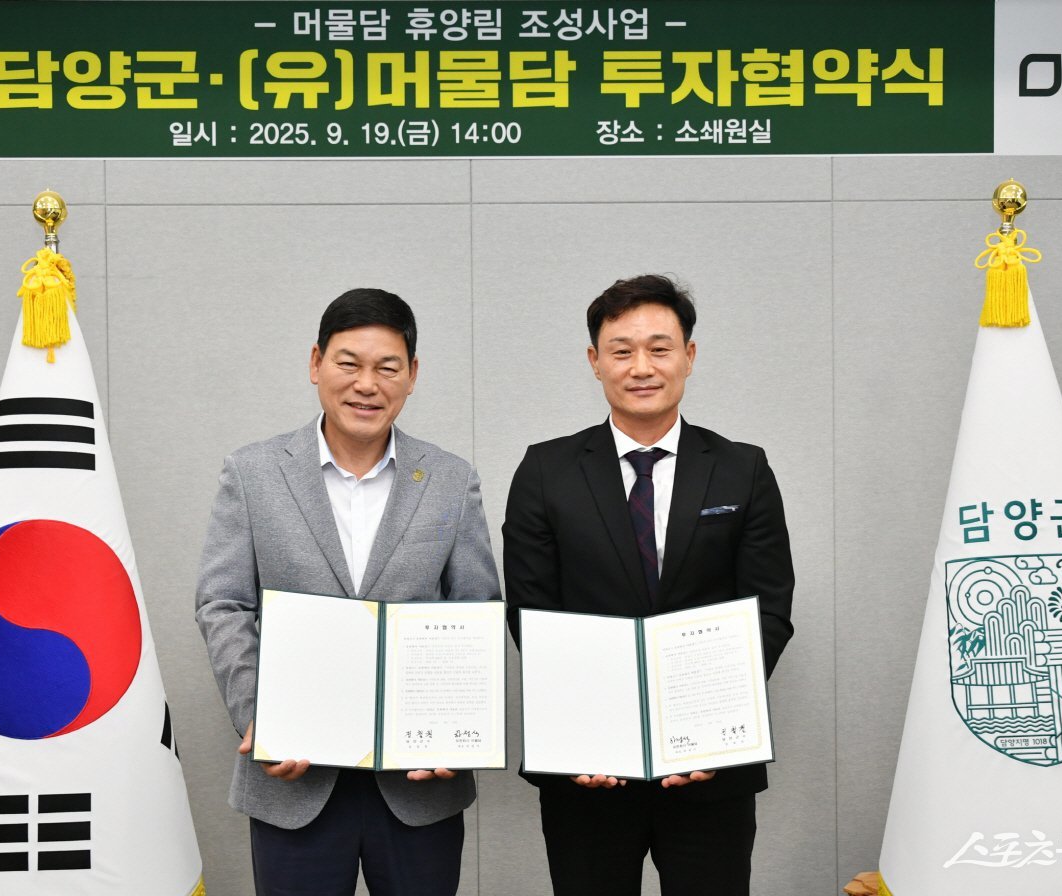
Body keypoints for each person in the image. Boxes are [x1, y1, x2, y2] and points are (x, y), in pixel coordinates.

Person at [196, 288, 501, 896]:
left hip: (417, 785)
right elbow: (223, 603)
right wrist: (261, 714)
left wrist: (457, 727)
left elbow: (477, 609)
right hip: (294, 781)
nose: (367, 384)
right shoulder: (253, 472)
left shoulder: (450, 479)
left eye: (387, 367)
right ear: (316, 364)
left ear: (412, 375)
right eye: (348, 363)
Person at [502, 274, 795, 896]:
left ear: (690, 355)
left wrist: (713, 723)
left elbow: (769, 609)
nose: (642, 367)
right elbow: (532, 613)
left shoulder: (742, 468)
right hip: (587, 772)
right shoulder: (546, 470)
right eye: (622, 350)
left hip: (711, 771)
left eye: (660, 349)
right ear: (595, 361)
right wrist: (581, 729)